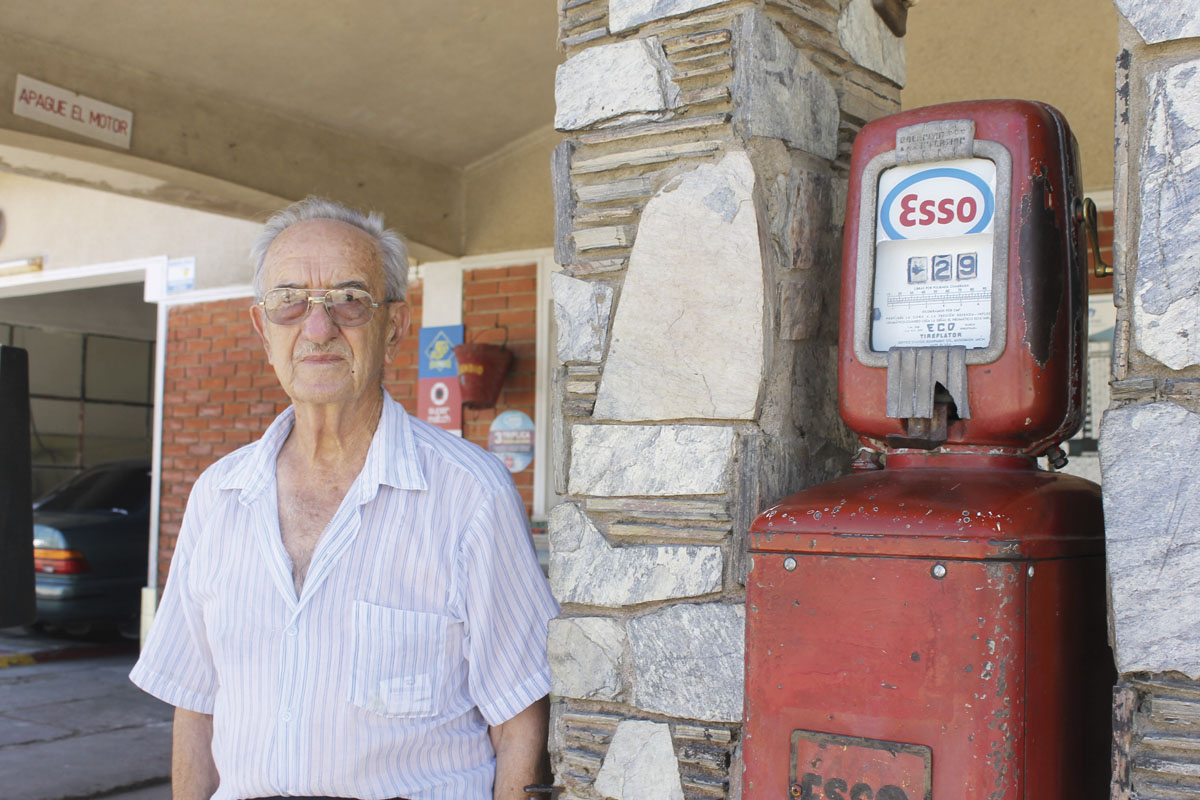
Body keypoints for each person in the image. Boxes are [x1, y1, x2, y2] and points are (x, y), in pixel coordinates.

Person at [131, 197, 559, 800]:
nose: (318, 328)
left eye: (349, 299)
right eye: (290, 302)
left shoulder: (469, 494)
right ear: (262, 327)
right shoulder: (217, 497)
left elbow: (520, 722)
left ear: (394, 327)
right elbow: (196, 708)